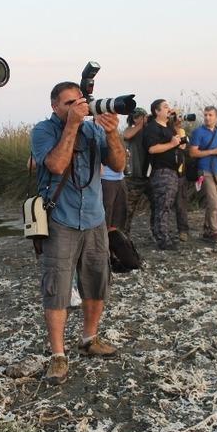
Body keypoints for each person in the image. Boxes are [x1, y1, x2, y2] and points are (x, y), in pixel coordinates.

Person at [30, 82, 125, 385]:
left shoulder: (94, 129)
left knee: (97, 281)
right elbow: (57, 165)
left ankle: (89, 338)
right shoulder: (44, 131)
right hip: (61, 218)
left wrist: (111, 132)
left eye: (80, 101)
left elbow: (119, 164)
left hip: (95, 218)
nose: (78, 108)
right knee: (57, 287)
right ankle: (58, 356)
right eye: (69, 103)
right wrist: (72, 125)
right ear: (55, 106)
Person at [143, 99, 184, 250]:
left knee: (164, 205)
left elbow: (179, 144)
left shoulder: (169, 128)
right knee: (163, 205)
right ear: (157, 111)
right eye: (165, 107)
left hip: (173, 171)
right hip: (161, 171)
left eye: (169, 106)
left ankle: (159, 233)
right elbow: (152, 149)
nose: (169, 109)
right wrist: (172, 144)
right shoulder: (152, 128)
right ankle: (162, 239)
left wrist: (178, 127)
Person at [189, 106, 217, 243]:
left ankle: (207, 229)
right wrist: (212, 152)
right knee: (213, 203)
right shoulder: (198, 132)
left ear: (216, 117)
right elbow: (193, 152)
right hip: (204, 171)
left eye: (210, 115)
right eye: (205, 115)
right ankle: (215, 232)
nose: (207, 117)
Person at [122, 108, 151, 235]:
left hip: (150, 175)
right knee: (128, 209)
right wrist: (140, 124)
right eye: (140, 117)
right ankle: (124, 234)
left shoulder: (150, 131)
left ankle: (157, 232)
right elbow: (127, 135)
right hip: (134, 177)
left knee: (158, 205)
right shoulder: (131, 130)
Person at [101, 160, 128, 231]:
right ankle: (105, 238)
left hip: (120, 178)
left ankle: (114, 238)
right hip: (105, 178)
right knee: (106, 215)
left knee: (119, 215)